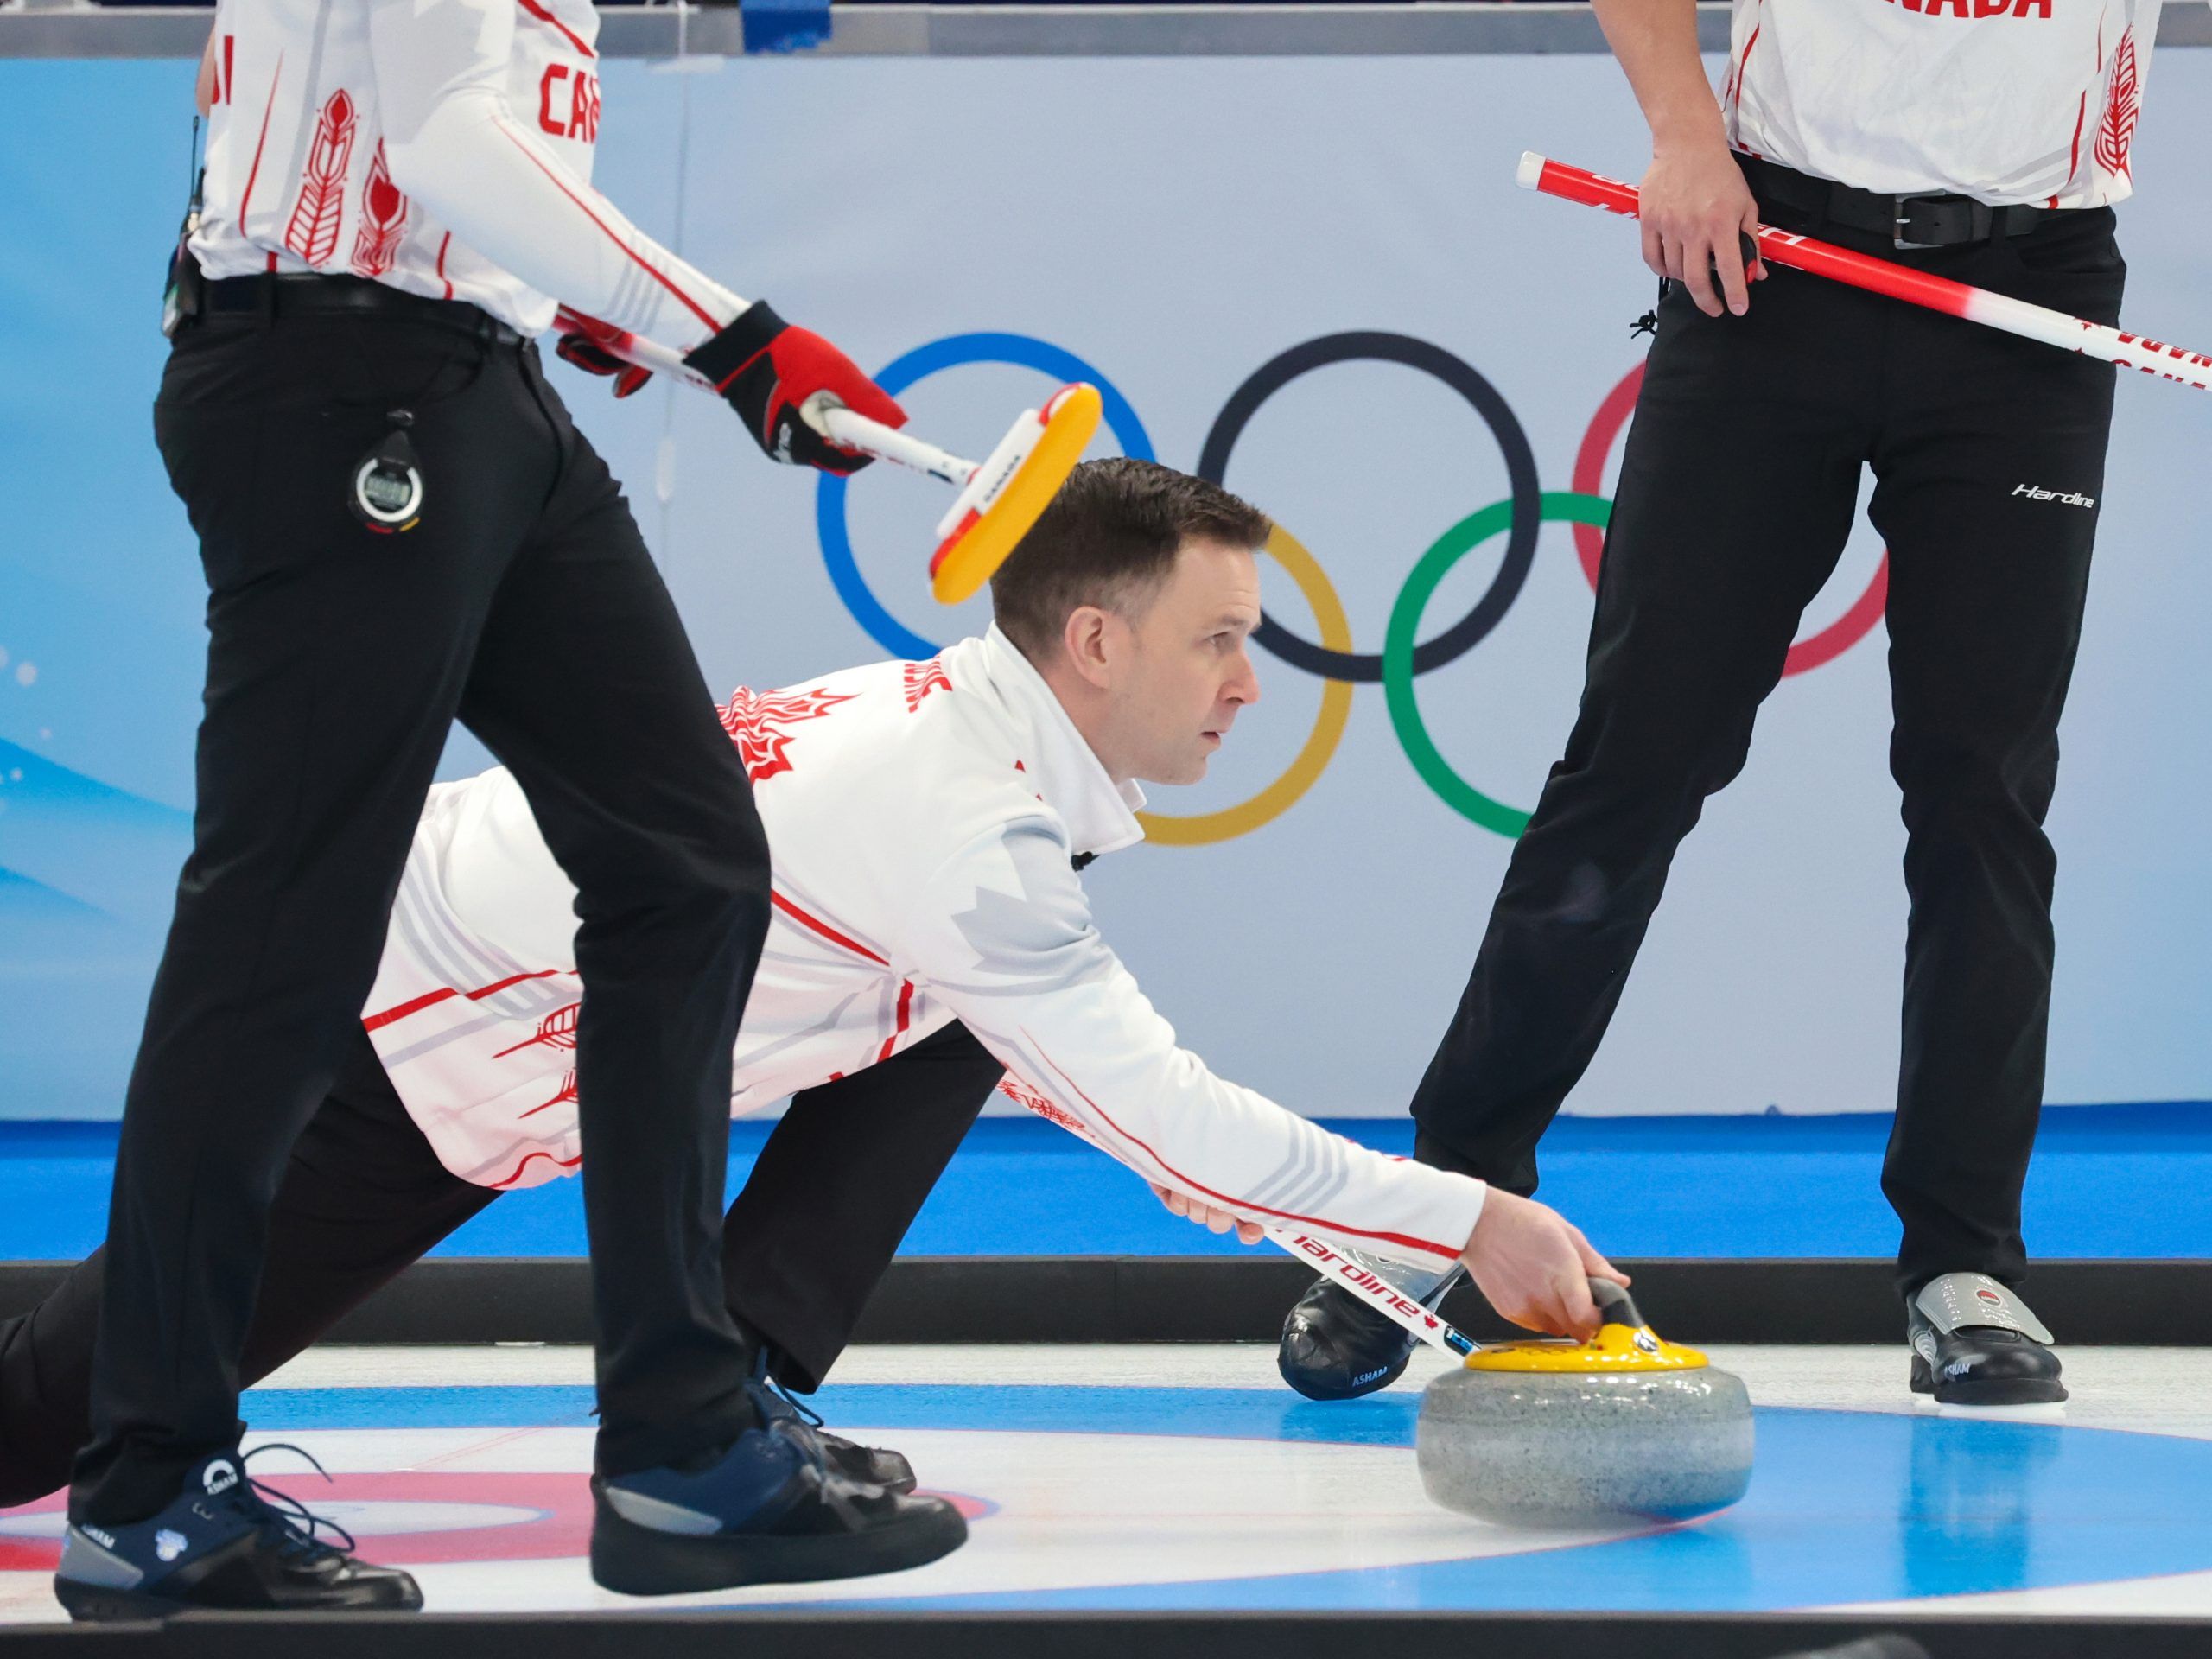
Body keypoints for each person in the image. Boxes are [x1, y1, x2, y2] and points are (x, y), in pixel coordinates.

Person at [9, 459, 1622, 1522]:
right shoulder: (970, 833)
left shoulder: (975, 751)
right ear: (1094, 644)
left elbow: (1082, 1076)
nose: (1249, 685)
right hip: (406, 1029)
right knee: (60, 1411)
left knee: (969, 1022)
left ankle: (741, 1382)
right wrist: (1470, 1218)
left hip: (489, 997)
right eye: (1219, 641)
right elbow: (1173, 1133)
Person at [61, 0, 932, 1619]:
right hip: (343, 389)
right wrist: (732, 341)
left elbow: (383, 116)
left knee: (686, 865)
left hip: (465, 376)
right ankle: (149, 1494)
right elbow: (450, 135)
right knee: (281, 937)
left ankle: (681, 1447)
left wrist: (543, 282)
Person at [1281, 0, 2161, 1409]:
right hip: (1768, 249)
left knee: (1983, 792)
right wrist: (1684, 133)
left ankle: (1965, 1266)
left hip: (2032, 284)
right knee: (1636, 759)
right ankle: (1444, 1212)